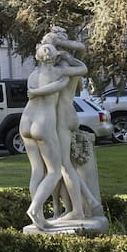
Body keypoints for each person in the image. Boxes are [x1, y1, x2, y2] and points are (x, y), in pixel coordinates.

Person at [20, 41, 89, 229]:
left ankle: (40, 217)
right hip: (43, 122)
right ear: (55, 56)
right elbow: (83, 69)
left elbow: (37, 92)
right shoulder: (59, 73)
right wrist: (67, 57)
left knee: (37, 171)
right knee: (54, 171)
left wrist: (35, 91)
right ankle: (34, 209)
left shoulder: (33, 75)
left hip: (25, 121)